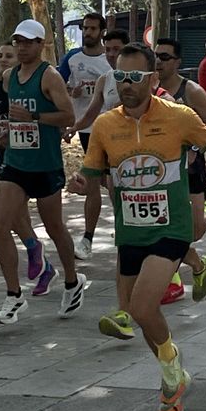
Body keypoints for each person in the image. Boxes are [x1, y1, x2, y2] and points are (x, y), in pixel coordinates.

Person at [70, 44, 206, 411]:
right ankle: (171, 373)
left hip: (171, 228)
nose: (126, 84)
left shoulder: (178, 116)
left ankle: (171, 367)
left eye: (134, 77)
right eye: (119, 76)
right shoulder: (105, 125)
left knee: (143, 306)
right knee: (141, 316)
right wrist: (81, 181)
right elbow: (93, 171)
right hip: (130, 231)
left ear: (151, 78)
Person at [123, 36, 206, 317]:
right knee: (160, 231)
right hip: (155, 177)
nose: (160, 61)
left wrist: (197, 146)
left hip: (190, 171)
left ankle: (205, 223)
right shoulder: (141, 91)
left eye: (165, 57)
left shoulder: (192, 91)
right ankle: (185, 271)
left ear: (178, 63)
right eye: (156, 57)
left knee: (193, 232)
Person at [0, 19, 89, 325]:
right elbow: (11, 115)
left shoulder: (49, 76)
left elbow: (68, 115)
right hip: (15, 163)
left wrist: (33, 116)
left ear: (40, 45)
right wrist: (8, 131)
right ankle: (13, 294)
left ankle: (73, 283)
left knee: (54, 228)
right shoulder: (9, 78)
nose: (21, 47)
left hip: (45, 165)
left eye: (28, 42)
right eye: (17, 42)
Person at [0, 43, 50, 298]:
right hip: (3, 157)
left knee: (12, 215)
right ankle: (39, 258)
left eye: (9, 56)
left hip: (30, 157)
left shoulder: (29, 87)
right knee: (14, 216)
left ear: (20, 60)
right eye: (0, 55)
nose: (3, 60)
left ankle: (35, 252)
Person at [62, 15, 115, 257]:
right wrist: (69, 92)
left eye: (93, 28)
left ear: (102, 31)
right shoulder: (72, 58)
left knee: (113, 182)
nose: (88, 32)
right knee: (93, 183)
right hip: (86, 130)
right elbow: (54, 85)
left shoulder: (112, 59)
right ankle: (87, 239)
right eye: (85, 28)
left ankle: (125, 226)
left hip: (113, 130)